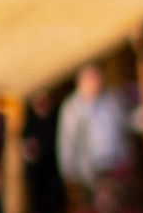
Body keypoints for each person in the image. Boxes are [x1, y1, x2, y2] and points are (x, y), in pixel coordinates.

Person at [56, 60, 131, 202]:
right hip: (88, 170)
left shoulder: (111, 101)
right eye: (92, 78)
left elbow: (122, 130)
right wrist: (69, 171)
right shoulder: (72, 107)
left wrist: (125, 159)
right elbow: (66, 141)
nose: (96, 82)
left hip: (113, 165)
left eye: (98, 77)